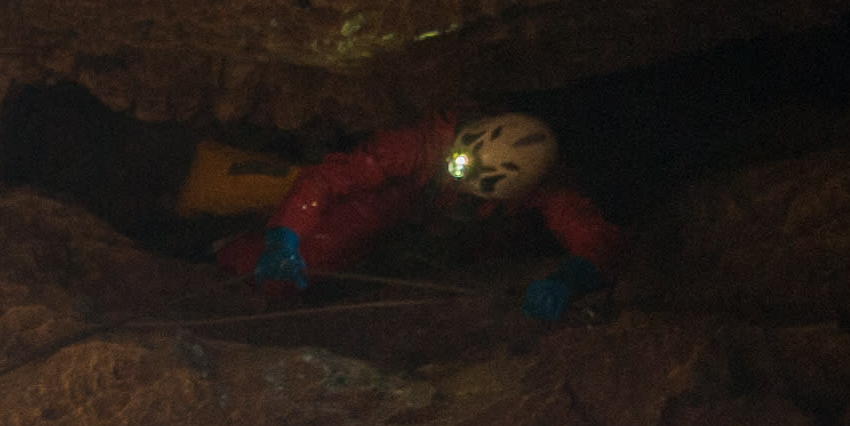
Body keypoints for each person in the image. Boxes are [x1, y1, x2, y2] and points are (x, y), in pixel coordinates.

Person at [221, 110, 625, 320]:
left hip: (458, 239)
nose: (456, 175)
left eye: (469, 180)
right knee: (336, 235)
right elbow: (327, 180)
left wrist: (567, 281)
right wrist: (285, 238)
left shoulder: (542, 187)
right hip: (404, 203)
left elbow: (595, 239)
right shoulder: (424, 145)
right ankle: (229, 260)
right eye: (462, 164)